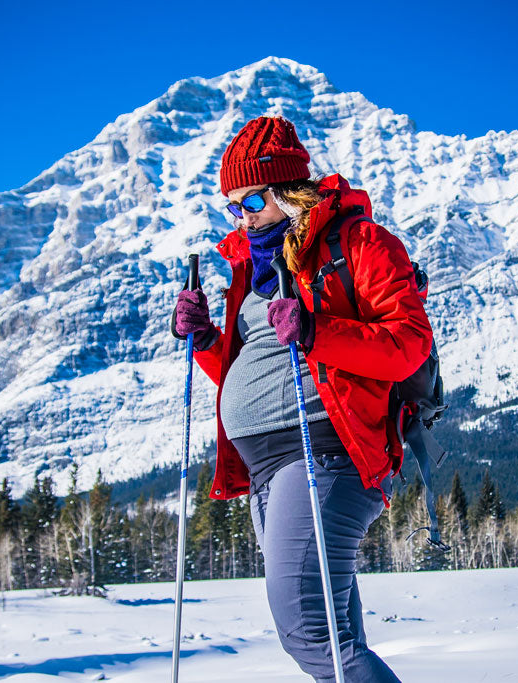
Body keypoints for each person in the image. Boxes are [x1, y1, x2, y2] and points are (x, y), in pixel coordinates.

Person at [172, 116, 432, 682]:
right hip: (268, 469)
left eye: (254, 200)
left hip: (325, 453)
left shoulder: (359, 244)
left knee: (309, 633)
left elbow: (409, 344)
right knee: (336, 637)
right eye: (233, 207)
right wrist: (207, 340)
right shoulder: (251, 267)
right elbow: (254, 367)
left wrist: (317, 331)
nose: (244, 218)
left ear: (291, 190)